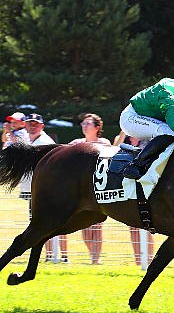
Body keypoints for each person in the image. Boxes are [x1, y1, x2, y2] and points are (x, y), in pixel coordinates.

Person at [19, 113, 68, 262]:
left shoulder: (45, 142)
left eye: (35, 124)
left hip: (47, 190)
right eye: (30, 123)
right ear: (25, 125)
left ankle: (61, 256)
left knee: (53, 222)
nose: (32, 126)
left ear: (42, 126)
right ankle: (50, 255)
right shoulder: (27, 140)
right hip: (35, 189)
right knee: (39, 223)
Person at [69, 113, 111, 264]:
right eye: (83, 123)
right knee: (83, 225)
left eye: (88, 123)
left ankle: (95, 258)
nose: (84, 126)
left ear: (97, 127)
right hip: (81, 189)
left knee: (97, 225)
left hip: (97, 187)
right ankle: (92, 254)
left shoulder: (104, 143)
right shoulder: (76, 143)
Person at [113, 132, 155, 265]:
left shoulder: (148, 138)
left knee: (146, 226)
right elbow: (113, 150)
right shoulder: (122, 139)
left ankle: (149, 260)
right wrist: (122, 132)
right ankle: (138, 260)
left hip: (145, 184)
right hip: (127, 185)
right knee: (133, 227)